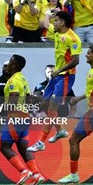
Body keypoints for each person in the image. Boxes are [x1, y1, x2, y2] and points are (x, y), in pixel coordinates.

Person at [28, 11, 82, 152]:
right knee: (45, 103)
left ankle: (41, 141)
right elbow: (46, 24)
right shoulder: (58, 32)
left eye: (56, 20)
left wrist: (60, 70)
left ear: (62, 23)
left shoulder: (73, 38)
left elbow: (76, 61)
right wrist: (47, 14)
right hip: (57, 76)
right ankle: (60, 130)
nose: (53, 23)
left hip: (66, 77)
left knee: (52, 106)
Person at [0, 54, 44, 185]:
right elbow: (28, 99)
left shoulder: (13, 81)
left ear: (14, 65)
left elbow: (13, 99)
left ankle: (24, 171)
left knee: (4, 147)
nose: (7, 66)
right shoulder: (23, 79)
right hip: (25, 117)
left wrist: (0, 108)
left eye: (9, 63)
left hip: (16, 116)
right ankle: (36, 174)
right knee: (22, 148)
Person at [57, 45, 93, 184]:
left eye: (89, 53)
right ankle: (73, 175)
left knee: (74, 140)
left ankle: (74, 175)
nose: (86, 55)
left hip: (91, 114)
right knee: (74, 140)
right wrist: (79, 98)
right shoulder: (91, 71)